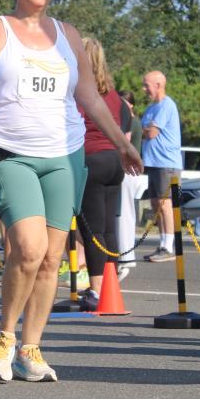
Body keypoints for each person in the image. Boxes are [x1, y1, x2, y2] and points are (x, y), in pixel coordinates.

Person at [0, 0, 142, 382]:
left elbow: (90, 96)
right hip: (11, 153)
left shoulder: (68, 35)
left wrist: (122, 144)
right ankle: (4, 339)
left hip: (65, 155)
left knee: (51, 257)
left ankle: (31, 349)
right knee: (28, 247)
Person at [74, 37, 127, 310]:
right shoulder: (113, 94)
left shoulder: (80, 92)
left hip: (91, 159)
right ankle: (111, 286)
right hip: (114, 160)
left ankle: (96, 289)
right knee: (108, 229)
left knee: (93, 230)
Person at [140, 70, 181, 262]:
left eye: (146, 85)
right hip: (153, 162)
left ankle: (168, 246)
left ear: (158, 85)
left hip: (166, 163)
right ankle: (163, 243)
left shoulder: (166, 105)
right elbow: (144, 130)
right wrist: (144, 129)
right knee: (156, 205)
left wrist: (143, 129)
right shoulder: (151, 108)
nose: (144, 89)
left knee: (165, 204)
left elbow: (151, 133)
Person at [116, 91, 142, 280]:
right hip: (128, 169)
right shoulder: (132, 120)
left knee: (124, 213)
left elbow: (124, 141)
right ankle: (124, 255)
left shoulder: (131, 121)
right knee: (122, 213)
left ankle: (125, 257)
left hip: (127, 170)